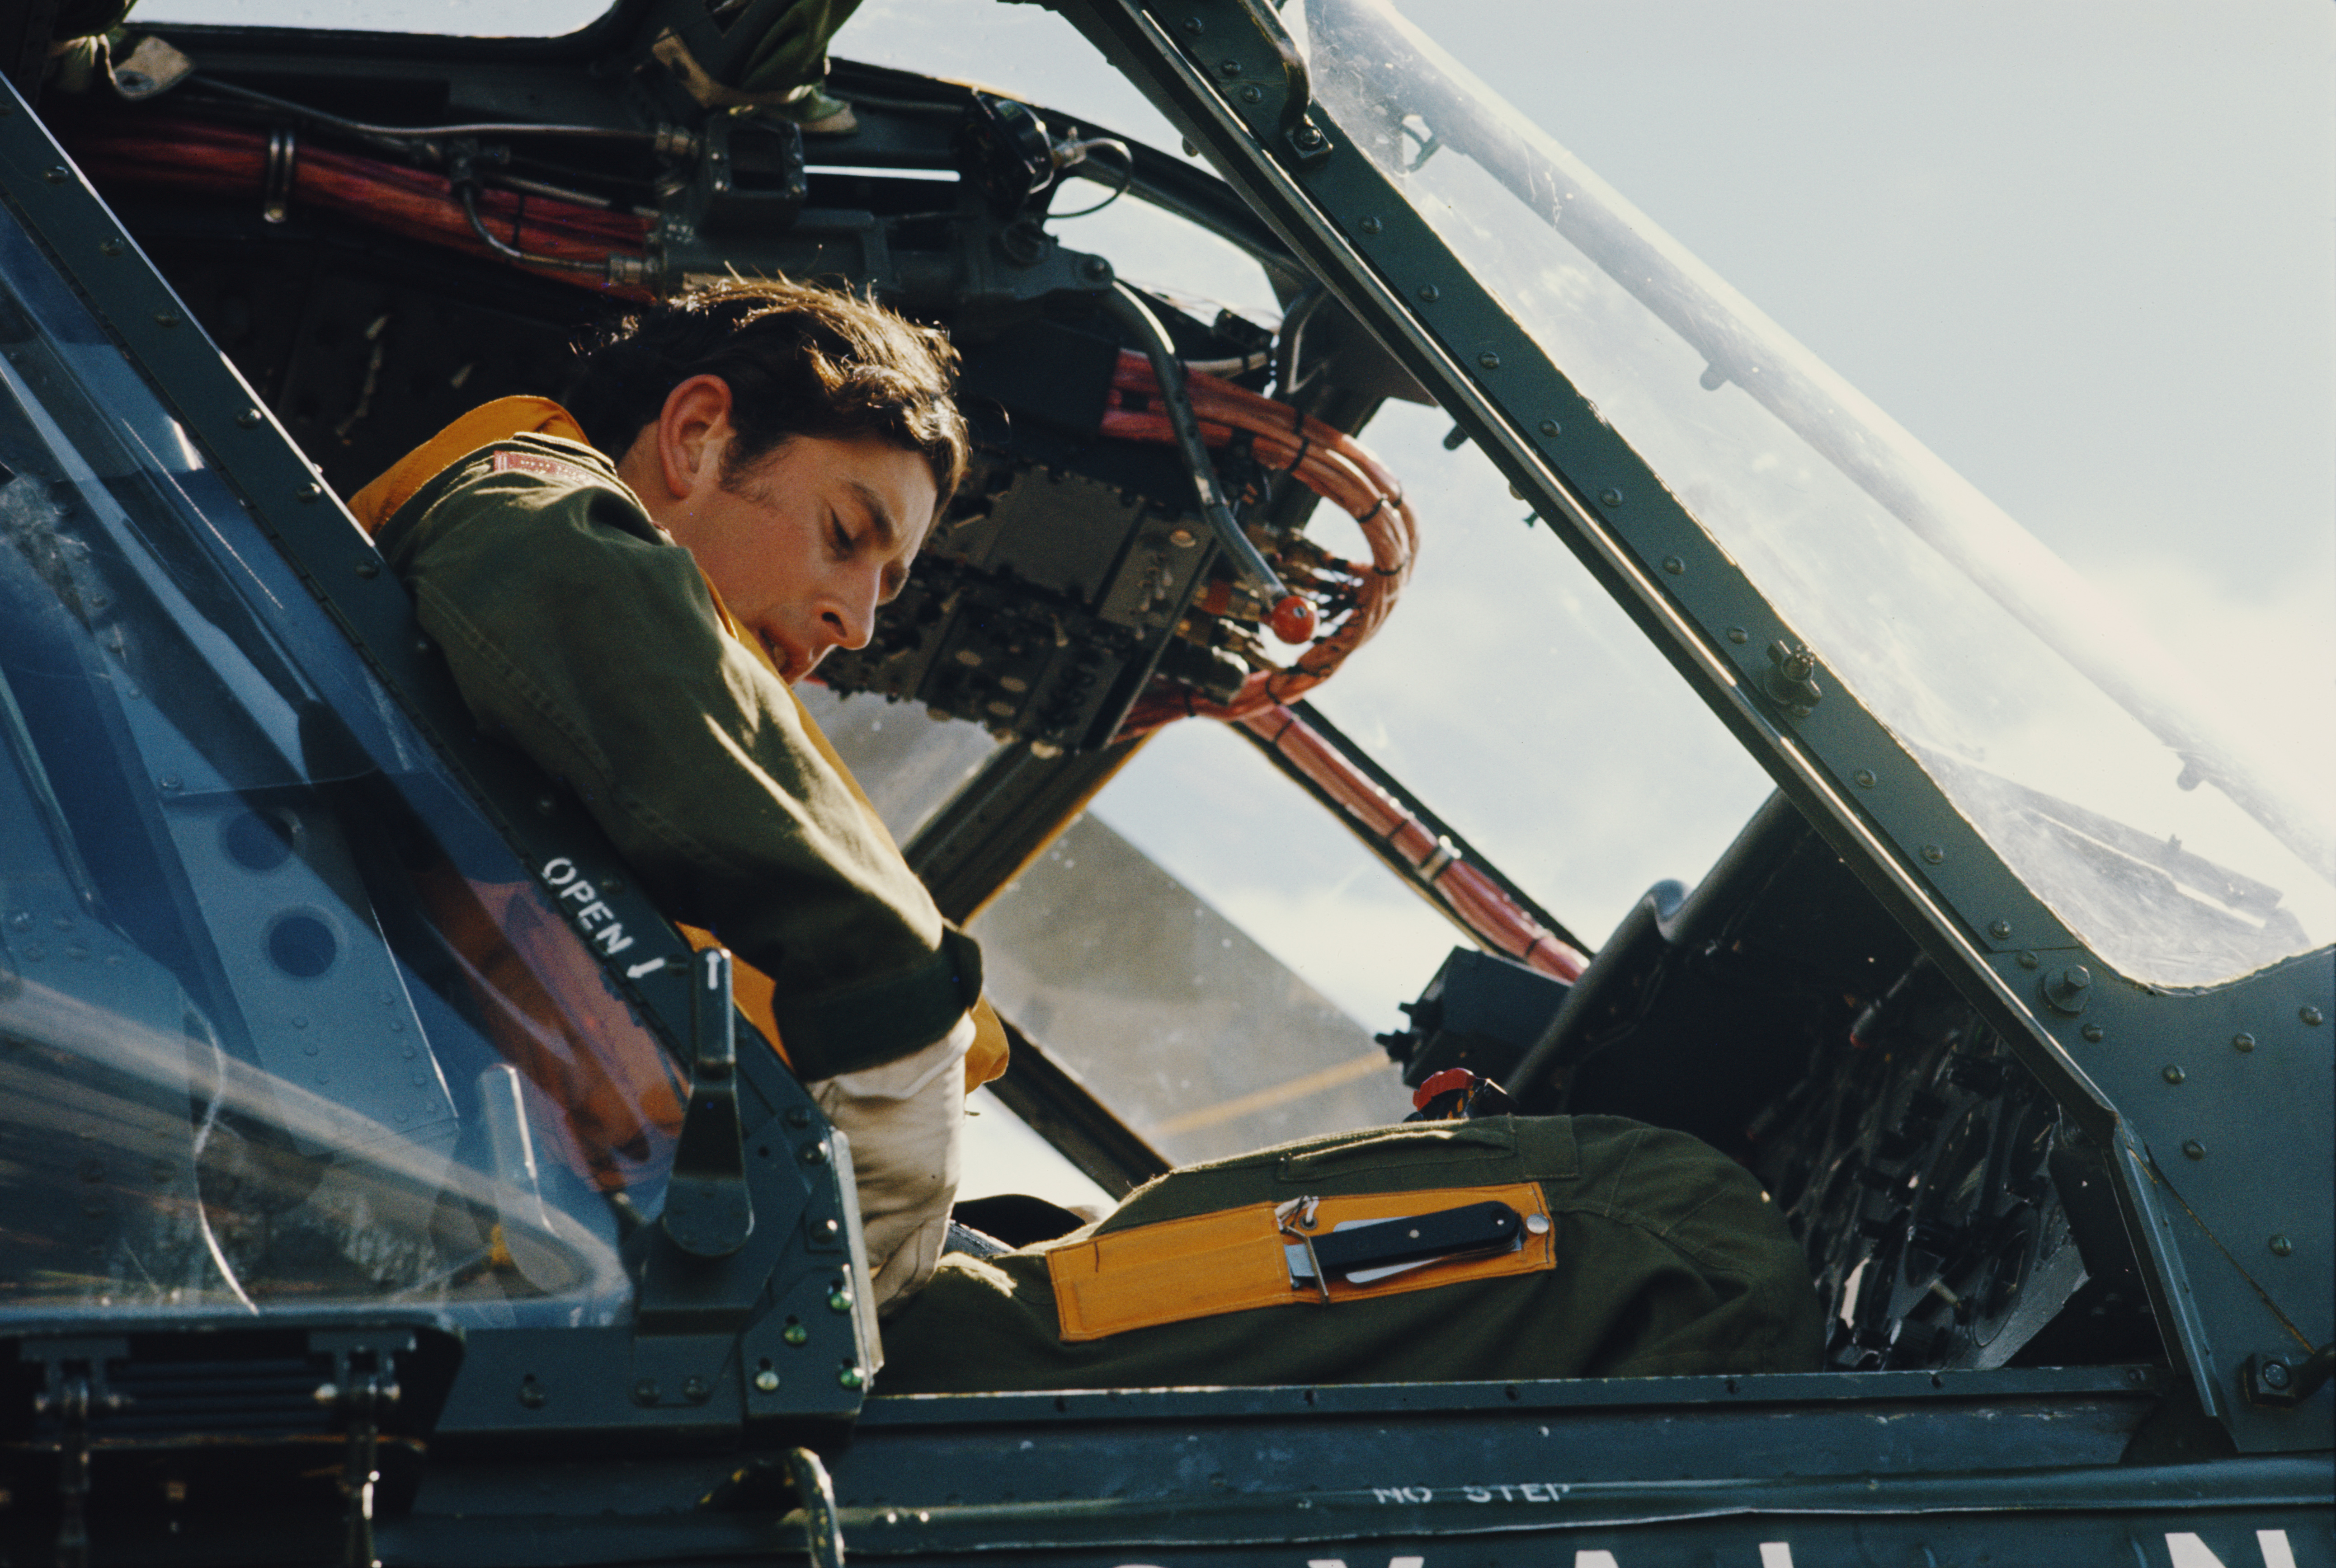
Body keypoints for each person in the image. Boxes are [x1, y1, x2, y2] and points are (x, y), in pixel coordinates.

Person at [356, 278, 1824, 1386]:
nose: (859, 620)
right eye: (848, 532)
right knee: (1653, 1231)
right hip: (816, 1327)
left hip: (767, 1280)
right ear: (693, 436)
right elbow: (557, 573)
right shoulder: (528, 507)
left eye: (891, 583)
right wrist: (894, 1029)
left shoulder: (587, 733)